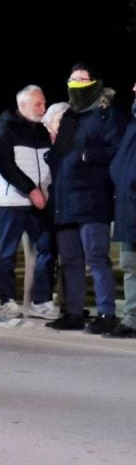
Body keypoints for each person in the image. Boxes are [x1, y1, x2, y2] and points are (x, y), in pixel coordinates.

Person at [46, 64, 127, 334]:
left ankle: (106, 313)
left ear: (95, 82)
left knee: (96, 257)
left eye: (82, 79)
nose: (77, 83)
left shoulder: (106, 114)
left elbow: (117, 149)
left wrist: (88, 157)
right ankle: (73, 312)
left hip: (94, 198)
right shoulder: (68, 115)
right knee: (69, 259)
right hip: (64, 199)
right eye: (72, 79)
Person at [0, 85, 57, 320]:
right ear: (23, 105)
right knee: (8, 252)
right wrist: (31, 190)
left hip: (40, 201)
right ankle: (7, 301)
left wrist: (45, 190)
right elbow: (6, 166)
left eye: (44, 103)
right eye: (38, 104)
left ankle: (42, 301)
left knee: (47, 248)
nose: (43, 108)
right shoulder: (4, 129)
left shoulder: (41, 131)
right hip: (12, 201)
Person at [105, 79, 136, 338]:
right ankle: (132, 319)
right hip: (129, 206)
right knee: (130, 265)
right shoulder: (132, 123)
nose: (134, 89)